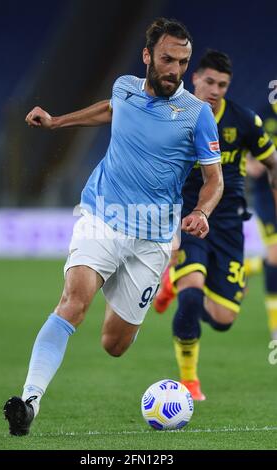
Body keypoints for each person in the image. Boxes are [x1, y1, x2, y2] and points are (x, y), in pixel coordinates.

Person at [3, 18, 224, 436]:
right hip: (101, 216)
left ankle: (133, 291)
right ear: (147, 56)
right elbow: (109, 109)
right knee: (73, 302)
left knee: (114, 345)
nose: (174, 69)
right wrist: (56, 122)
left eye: (182, 61)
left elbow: (215, 180)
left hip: (153, 237)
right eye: (166, 59)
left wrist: (202, 212)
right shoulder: (125, 87)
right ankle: (29, 402)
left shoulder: (197, 115)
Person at [153, 50, 277, 400]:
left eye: (222, 85)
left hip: (228, 225)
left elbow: (271, 163)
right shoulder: (172, 116)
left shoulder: (245, 120)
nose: (215, 90)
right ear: (194, 78)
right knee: (191, 298)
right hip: (187, 218)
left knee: (223, 320)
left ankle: (173, 282)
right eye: (209, 81)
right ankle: (189, 381)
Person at [245, 102, 277, 339]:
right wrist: (255, 163)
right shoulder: (262, 118)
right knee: (275, 256)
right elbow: (248, 161)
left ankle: (243, 267)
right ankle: (275, 327)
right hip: (266, 195)